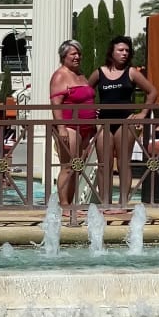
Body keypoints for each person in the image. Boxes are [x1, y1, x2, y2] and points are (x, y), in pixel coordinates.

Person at [88, 36, 157, 204]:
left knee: (123, 163)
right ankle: (105, 202)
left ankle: (123, 202)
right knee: (104, 164)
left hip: (125, 122)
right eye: (120, 50)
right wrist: (91, 109)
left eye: (127, 50)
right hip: (104, 122)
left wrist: (142, 113)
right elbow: (86, 93)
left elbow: (152, 92)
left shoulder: (132, 72)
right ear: (112, 52)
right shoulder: (99, 72)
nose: (124, 53)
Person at [49, 39, 97, 211]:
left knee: (78, 166)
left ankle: (71, 204)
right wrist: (61, 128)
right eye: (73, 54)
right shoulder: (60, 75)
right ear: (64, 56)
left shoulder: (81, 74)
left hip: (87, 128)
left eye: (79, 53)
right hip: (70, 126)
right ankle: (63, 205)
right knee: (68, 166)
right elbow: (56, 104)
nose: (77, 57)